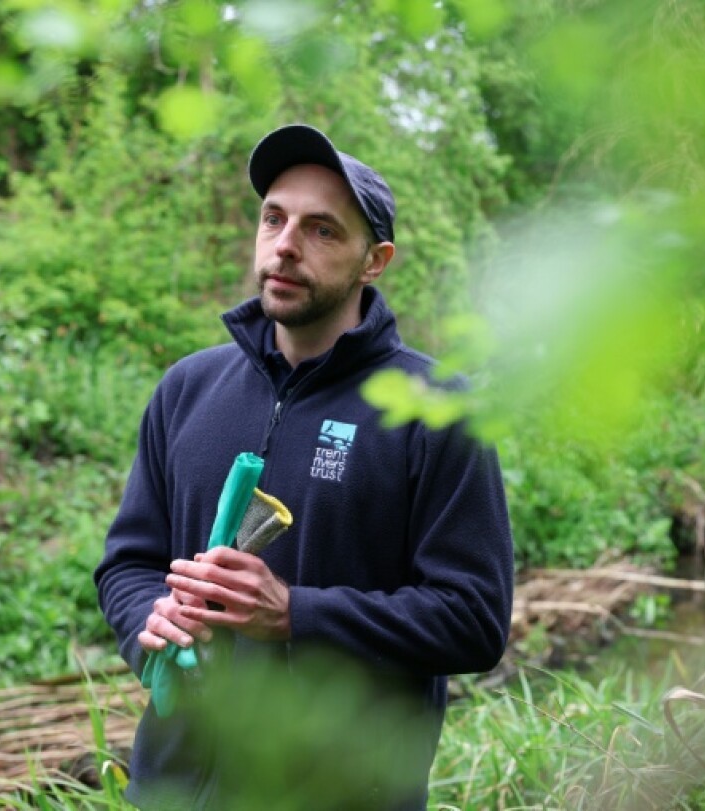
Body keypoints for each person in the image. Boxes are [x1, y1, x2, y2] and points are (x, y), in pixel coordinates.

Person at [94, 124, 515, 810]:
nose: (286, 244)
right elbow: (128, 562)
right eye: (274, 218)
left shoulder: (436, 410)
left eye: (323, 230)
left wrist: (295, 612)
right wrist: (151, 619)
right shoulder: (188, 388)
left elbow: (473, 617)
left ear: (373, 260)